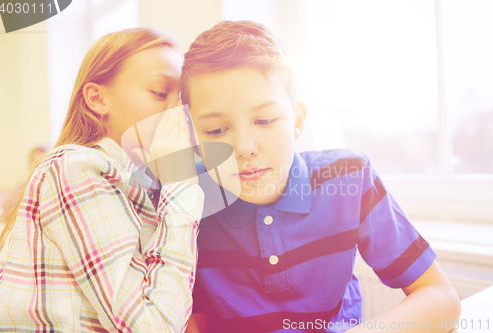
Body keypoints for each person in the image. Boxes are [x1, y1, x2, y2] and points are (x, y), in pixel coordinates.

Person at [180, 21, 461, 333]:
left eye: (265, 119)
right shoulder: (185, 199)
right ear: (194, 136)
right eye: (216, 130)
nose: (244, 148)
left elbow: (441, 298)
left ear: (297, 120)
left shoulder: (348, 178)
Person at [0, 28, 204, 332]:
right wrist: (181, 185)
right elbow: (152, 326)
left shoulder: (138, 186)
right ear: (96, 98)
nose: (178, 111)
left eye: (183, 99)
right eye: (159, 92)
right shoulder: (75, 167)